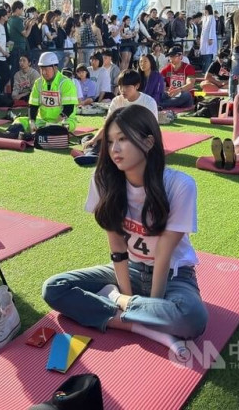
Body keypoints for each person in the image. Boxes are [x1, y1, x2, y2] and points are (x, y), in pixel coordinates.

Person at [42, 105, 208, 352]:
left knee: (192, 319)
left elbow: (163, 254)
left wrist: (124, 301)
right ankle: (142, 326)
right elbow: (117, 247)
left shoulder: (179, 185)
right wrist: (131, 298)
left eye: (123, 139)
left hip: (173, 275)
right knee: (54, 289)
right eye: (110, 141)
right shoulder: (103, 181)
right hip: (128, 269)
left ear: (149, 142)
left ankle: (112, 302)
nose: (114, 149)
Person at [81, 70, 159, 159]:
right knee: (88, 138)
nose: (122, 90)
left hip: (140, 138)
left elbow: (152, 129)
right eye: (120, 86)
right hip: (119, 136)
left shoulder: (148, 102)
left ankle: (95, 153)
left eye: (126, 87)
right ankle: (91, 154)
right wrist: (93, 140)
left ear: (137, 86)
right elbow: (107, 125)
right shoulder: (117, 101)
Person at [1, 51, 78, 137]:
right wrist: (32, 121)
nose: (43, 72)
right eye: (41, 69)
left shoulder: (66, 83)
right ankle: (8, 134)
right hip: (42, 120)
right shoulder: (38, 83)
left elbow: (69, 108)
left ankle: (32, 135)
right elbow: (33, 106)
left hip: (63, 120)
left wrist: (53, 123)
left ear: (55, 67)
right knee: (20, 120)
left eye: (46, 69)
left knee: (63, 127)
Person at [199, 5, 217, 70]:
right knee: (204, 55)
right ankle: (204, 70)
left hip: (209, 39)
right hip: (204, 39)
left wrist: (211, 38)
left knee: (208, 54)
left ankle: (207, 70)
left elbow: (212, 29)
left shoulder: (212, 17)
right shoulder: (204, 17)